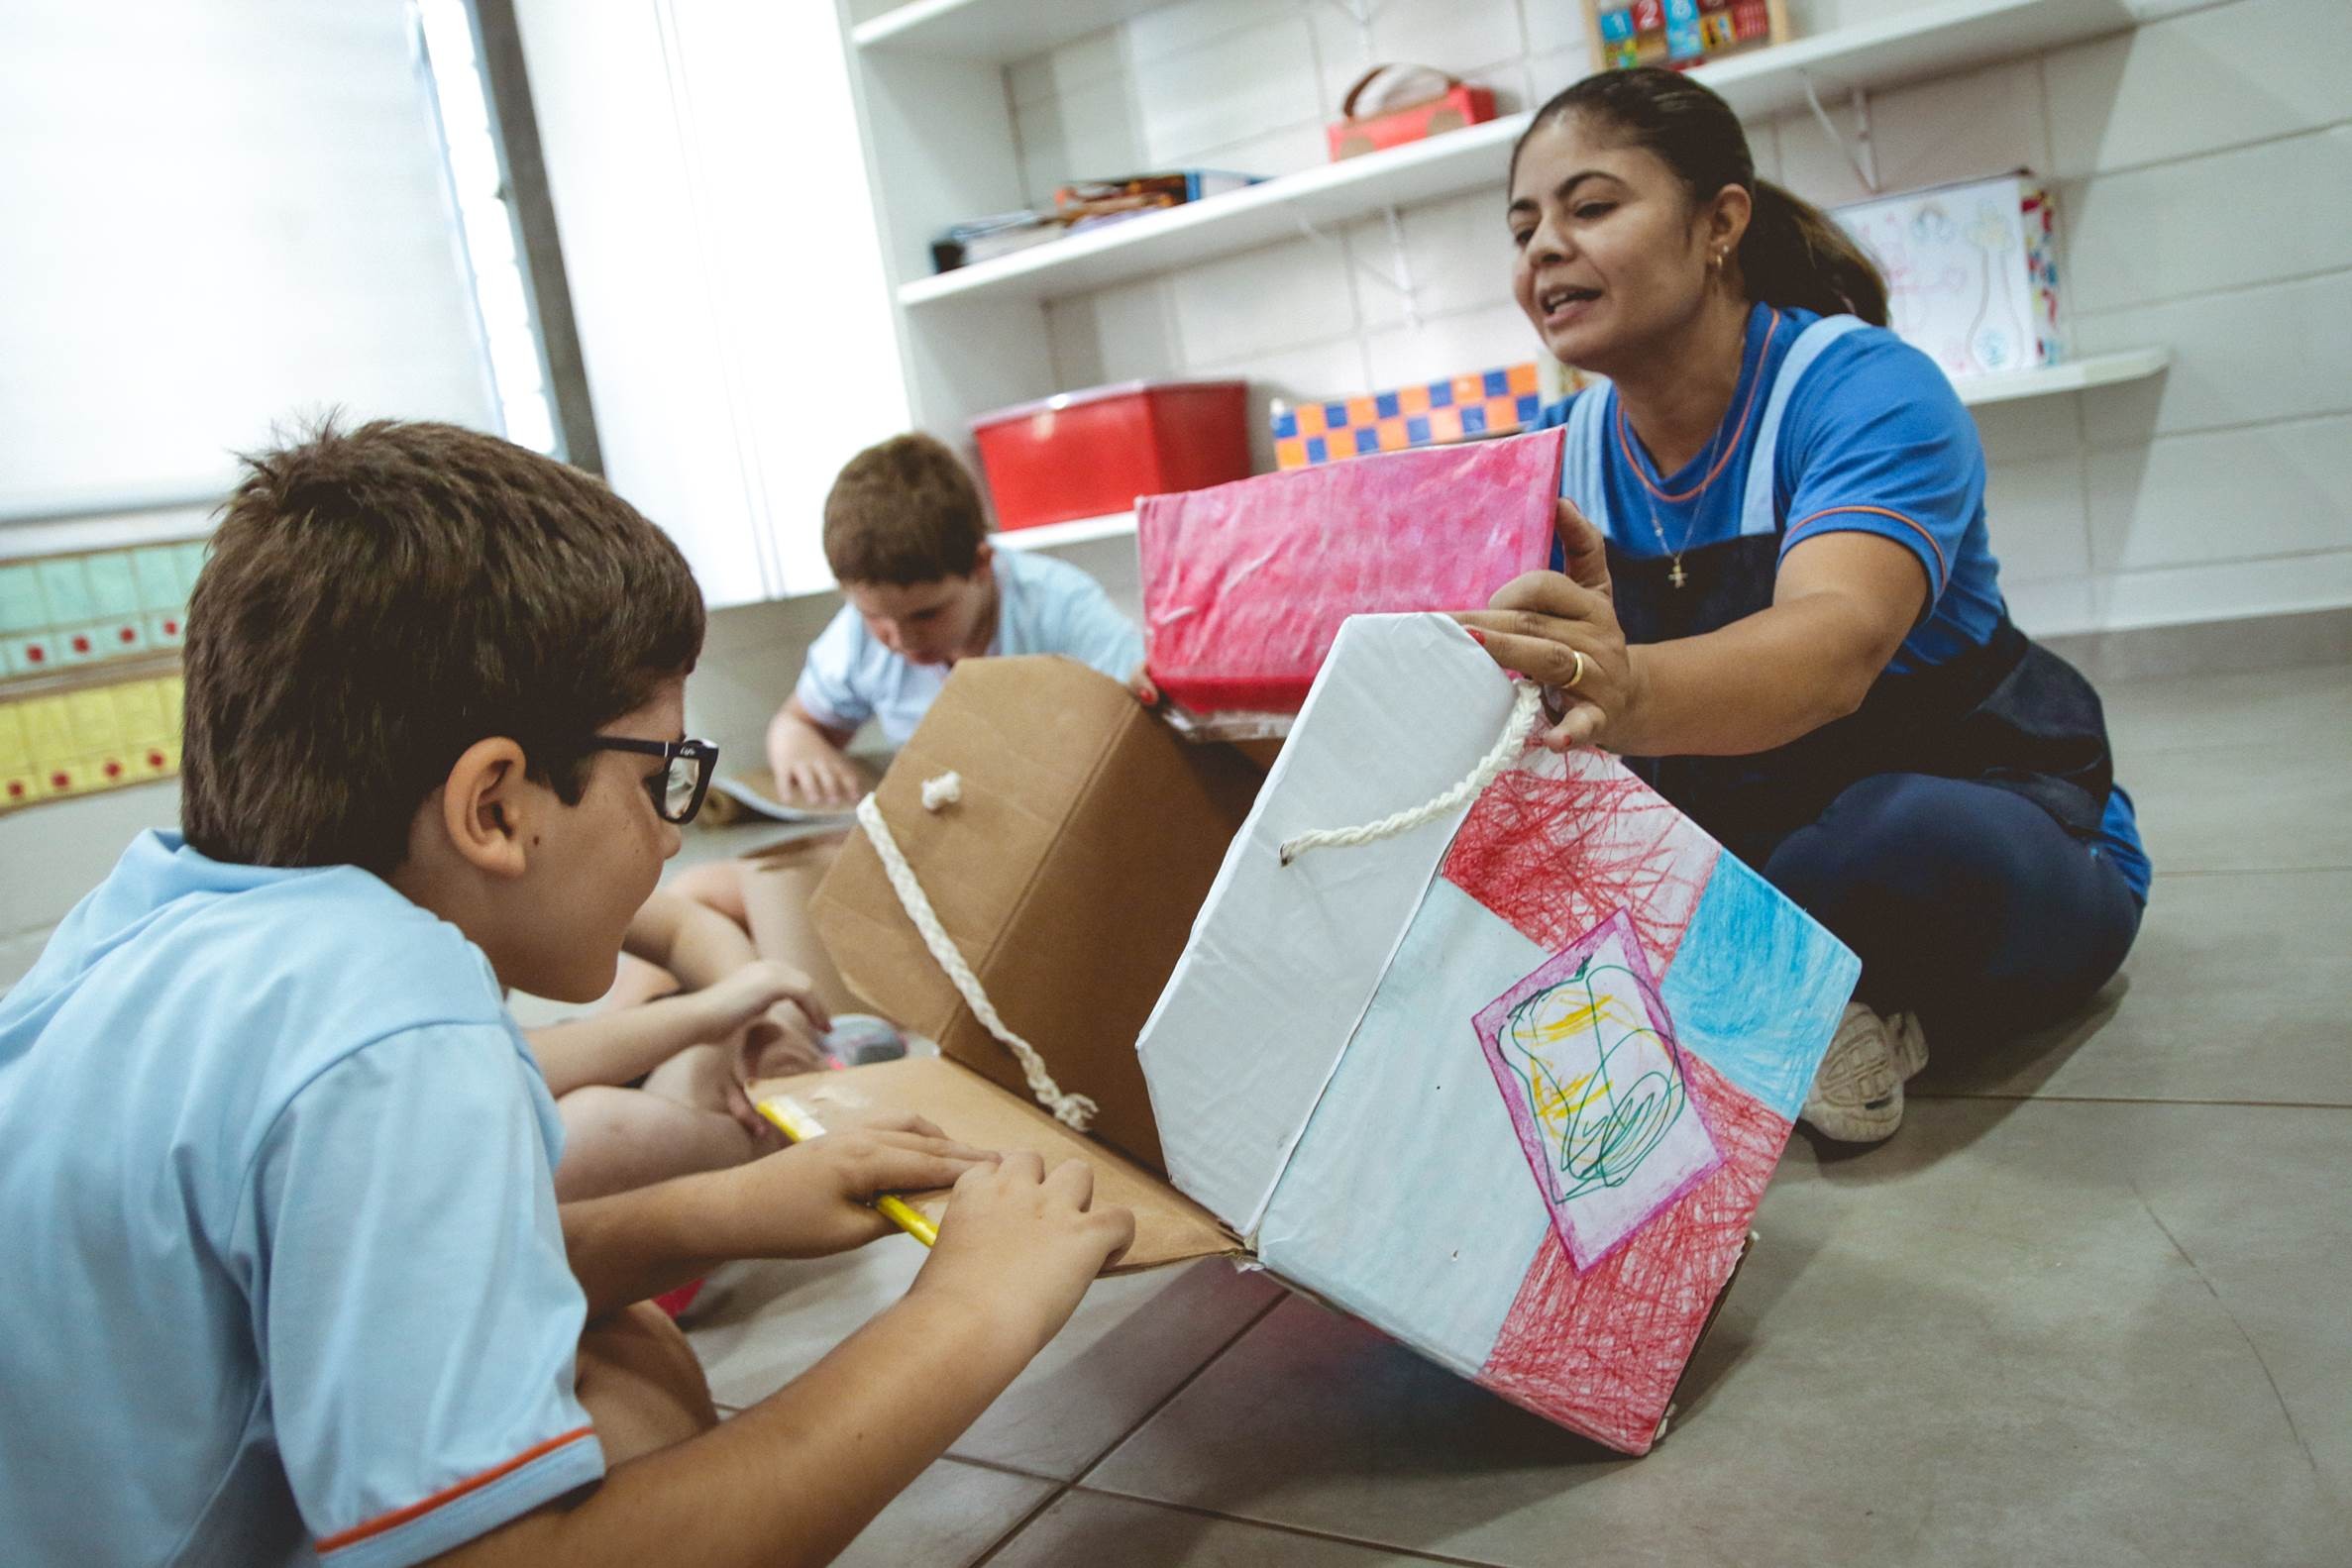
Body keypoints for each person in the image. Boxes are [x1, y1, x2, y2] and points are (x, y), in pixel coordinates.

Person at [0, 419, 1133, 1566]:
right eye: (665, 776)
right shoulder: (394, 1021)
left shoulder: (141, 921)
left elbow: (367, 1286)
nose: (668, 832)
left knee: (611, 1339)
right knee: (628, 1394)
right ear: (494, 805)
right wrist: (971, 1308)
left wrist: (719, 1211)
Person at [1456, 68, 2148, 1144]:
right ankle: (1799, 1004)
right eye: (1521, 225)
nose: (1542, 247)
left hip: (1976, 814)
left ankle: (1803, 1009)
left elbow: (1832, 652)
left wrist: (1628, 690)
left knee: (1879, 845)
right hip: (1754, 851)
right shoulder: (1557, 454)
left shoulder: (1861, 389)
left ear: (1719, 221)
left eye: (1590, 207)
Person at [642, 430, 1144, 1014]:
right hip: (931, 855)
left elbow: (1136, 735)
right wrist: (797, 742)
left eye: (927, 614)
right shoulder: (864, 638)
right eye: (877, 618)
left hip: (1049, 862)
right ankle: (631, 1046)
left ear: (983, 566)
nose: (901, 640)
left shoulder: (1062, 607)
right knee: (691, 893)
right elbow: (797, 723)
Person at [526, 889, 831, 1202]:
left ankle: (789, 1116)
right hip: (537, 1132)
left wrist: (748, 1021)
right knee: (588, 1137)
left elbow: (684, 926)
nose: (672, 843)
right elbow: (506, 1068)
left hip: (580, 1061)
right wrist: (709, 1012)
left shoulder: (517, 886)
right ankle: (781, 1149)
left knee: (769, 1031)